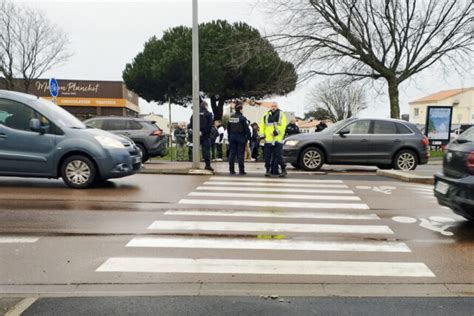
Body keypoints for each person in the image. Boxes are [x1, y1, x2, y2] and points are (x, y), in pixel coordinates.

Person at [259, 103, 287, 177]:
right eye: (272, 106)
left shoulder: (281, 114)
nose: (273, 107)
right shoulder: (266, 115)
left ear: (277, 107)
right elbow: (262, 126)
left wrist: (277, 131)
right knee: (267, 157)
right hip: (268, 140)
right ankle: (268, 170)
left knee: (279, 156)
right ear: (270, 107)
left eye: (275, 106)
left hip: (277, 139)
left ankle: (283, 169)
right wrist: (261, 136)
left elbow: (283, 126)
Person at [189, 101, 214, 171]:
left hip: (196, 135)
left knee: (195, 149)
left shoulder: (195, 113)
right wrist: (204, 132)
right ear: (206, 106)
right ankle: (207, 165)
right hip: (205, 135)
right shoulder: (208, 114)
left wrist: (196, 131)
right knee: (206, 150)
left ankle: (195, 163)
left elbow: (191, 124)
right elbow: (209, 126)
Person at [228, 103, 251, 175]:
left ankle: (231, 170)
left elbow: (228, 128)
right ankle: (241, 170)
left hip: (232, 137)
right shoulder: (243, 118)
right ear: (241, 109)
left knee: (232, 153)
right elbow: (246, 129)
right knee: (240, 154)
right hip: (241, 137)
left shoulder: (231, 117)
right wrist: (249, 137)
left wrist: (229, 136)